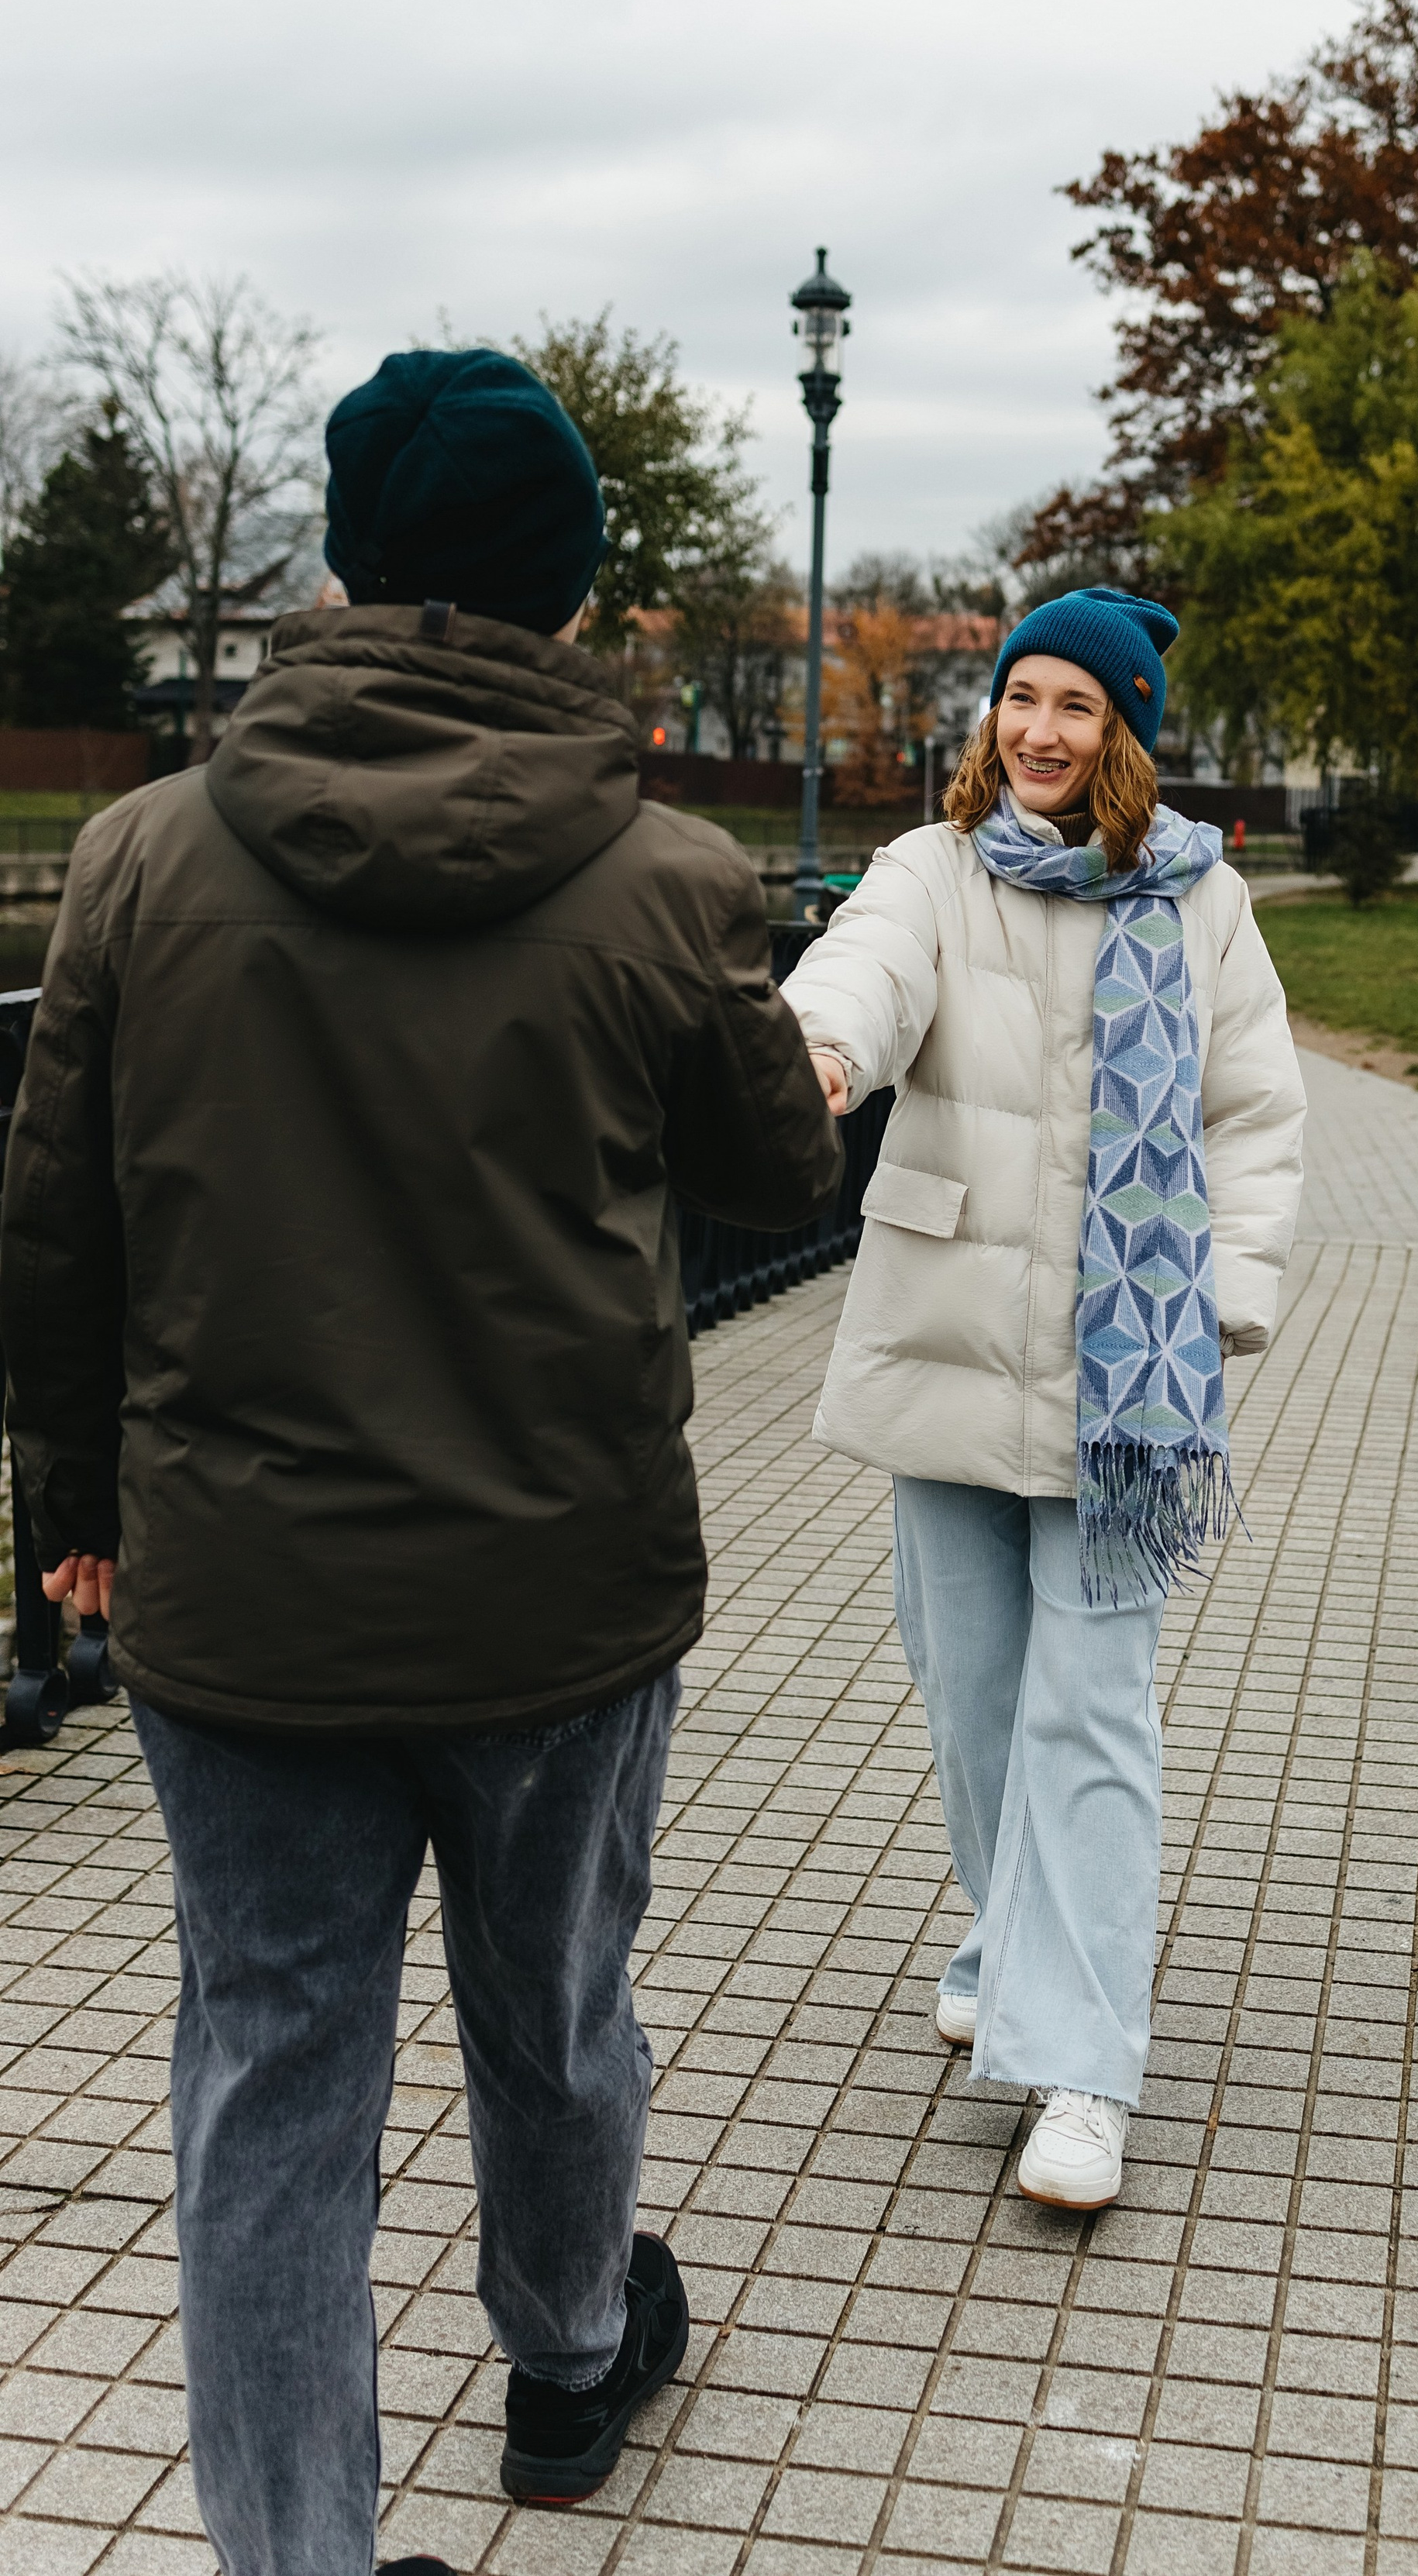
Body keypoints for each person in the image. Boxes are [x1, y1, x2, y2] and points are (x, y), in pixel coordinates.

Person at [0, 349, 843, 2576]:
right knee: (554, 2003)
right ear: (571, 585)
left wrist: (73, 1518)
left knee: (272, 2078)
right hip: (556, 1594)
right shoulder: (667, 875)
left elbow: (57, 1224)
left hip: (241, 1600)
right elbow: (772, 1178)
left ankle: (297, 2552)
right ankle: (567, 2368)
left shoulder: (141, 858)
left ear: (348, 564)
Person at [783, 587, 1305, 2209]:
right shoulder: (928, 871)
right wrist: (816, 1050)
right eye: (1023, 698)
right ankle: (1005, 1924)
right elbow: (863, 971)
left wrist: (1220, 1298)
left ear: (1124, 731)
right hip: (948, 1339)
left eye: (1078, 706)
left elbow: (1256, 1107)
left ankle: (1081, 2066)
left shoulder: (1201, 902)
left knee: (1091, 1711)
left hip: (1125, 1386)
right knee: (971, 1694)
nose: (1040, 731)